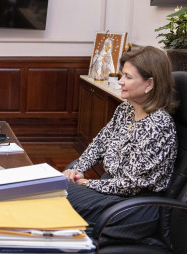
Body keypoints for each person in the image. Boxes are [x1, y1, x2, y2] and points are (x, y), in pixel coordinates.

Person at [63, 46, 178, 240]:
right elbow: (99, 145)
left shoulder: (158, 125)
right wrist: (77, 169)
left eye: (128, 77)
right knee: (56, 188)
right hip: (112, 191)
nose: (120, 81)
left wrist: (87, 183)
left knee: (57, 194)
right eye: (122, 74)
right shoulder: (126, 109)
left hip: (134, 207)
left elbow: (131, 184)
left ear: (150, 84)